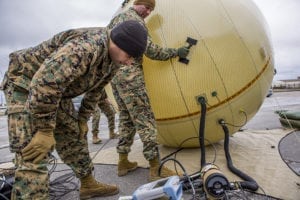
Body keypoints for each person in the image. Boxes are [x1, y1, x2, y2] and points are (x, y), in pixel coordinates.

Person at [0, 20, 147, 199]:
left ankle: (88, 184)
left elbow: (95, 91)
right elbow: (43, 84)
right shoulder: (84, 48)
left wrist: (83, 119)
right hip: (24, 85)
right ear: (121, 42)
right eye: (131, 56)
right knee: (34, 152)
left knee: (74, 134)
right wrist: (45, 130)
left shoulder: (114, 61)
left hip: (56, 92)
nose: (130, 63)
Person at [107, 0, 189, 181]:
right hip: (130, 76)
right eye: (147, 7)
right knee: (145, 118)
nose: (149, 12)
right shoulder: (134, 21)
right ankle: (155, 168)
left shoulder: (117, 19)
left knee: (127, 119)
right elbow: (151, 51)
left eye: (151, 10)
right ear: (139, 4)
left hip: (114, 76)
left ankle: (123, 161)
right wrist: (177, 52)